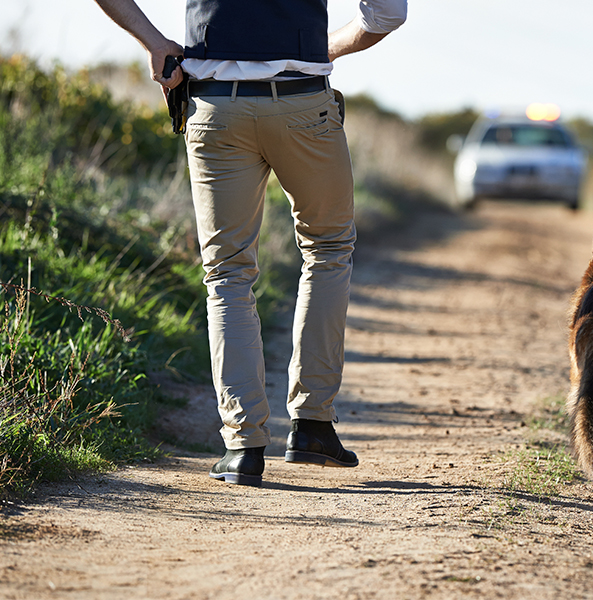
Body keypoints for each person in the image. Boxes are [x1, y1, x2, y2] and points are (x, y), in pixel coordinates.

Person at [93, 0, 408, 487]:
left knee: (227, 274)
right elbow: (387, 14)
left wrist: (154, 43)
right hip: (303, 102)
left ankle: (243, 447)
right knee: (326, 252)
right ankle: (312, 425)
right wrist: (320, 50)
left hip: (216, 108)